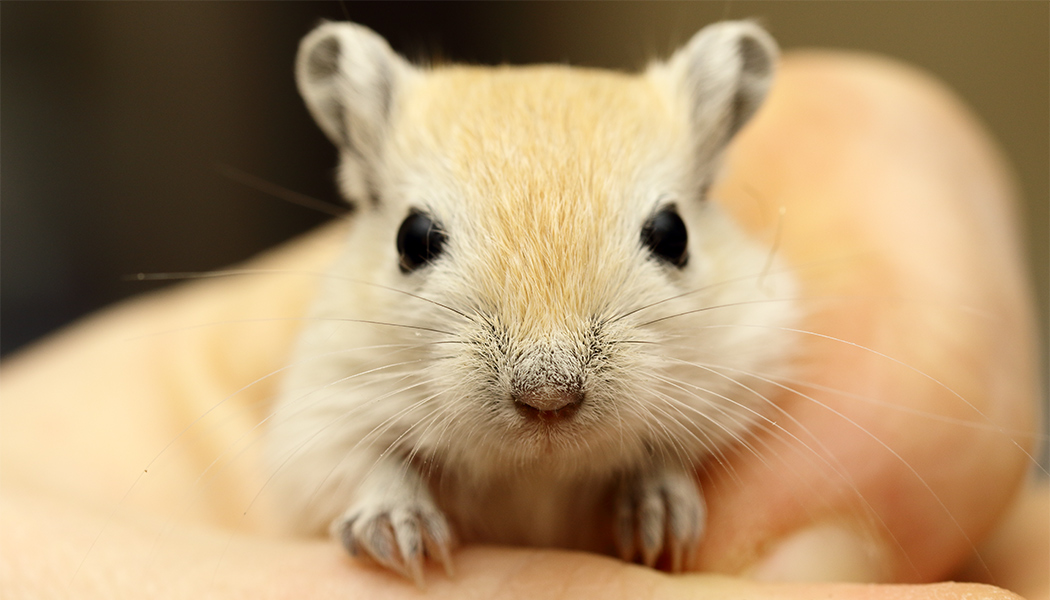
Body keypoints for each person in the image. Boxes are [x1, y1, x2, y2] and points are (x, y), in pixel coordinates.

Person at [2, 51, 1046, 599]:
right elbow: (305, 446)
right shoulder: (272, 368)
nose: (548, 382)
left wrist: (667, 469)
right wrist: (375, 489)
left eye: (663, 238)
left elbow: (772, 368)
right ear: (365, 182)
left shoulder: (743, 325)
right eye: (425, 243)